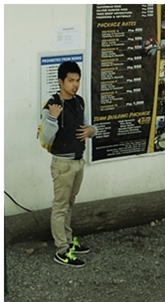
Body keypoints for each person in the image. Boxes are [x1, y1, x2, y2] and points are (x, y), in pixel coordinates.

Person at [38, 61, 96, 268]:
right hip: (62, 164)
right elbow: (44, 136)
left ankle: (69, 240)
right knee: (60, 206)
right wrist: (53, 118)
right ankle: (62, 250)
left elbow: (87, 125)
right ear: (60, 81)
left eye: (77, 80)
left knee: (70, 203)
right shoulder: (52, 105)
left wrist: (92, 131)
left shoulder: (79, 101)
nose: (75, 85)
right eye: (70, 80)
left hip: (78, 161)